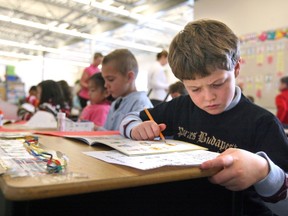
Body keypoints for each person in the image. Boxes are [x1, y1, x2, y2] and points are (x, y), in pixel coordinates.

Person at [120, 19, 288, 215]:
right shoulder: (181, 107)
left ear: (236, 69)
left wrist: (264, 172)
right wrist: (135, 127)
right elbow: (132, 117)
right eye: (195, 89)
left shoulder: (262, 124)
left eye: (218, 84)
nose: (208, 97)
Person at [99, 48, 153, 131]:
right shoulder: (114, 104)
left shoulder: (141, 104)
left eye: (110, 79)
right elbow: (108, 133)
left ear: (129, 77)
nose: (105, 85)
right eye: (104, 80)